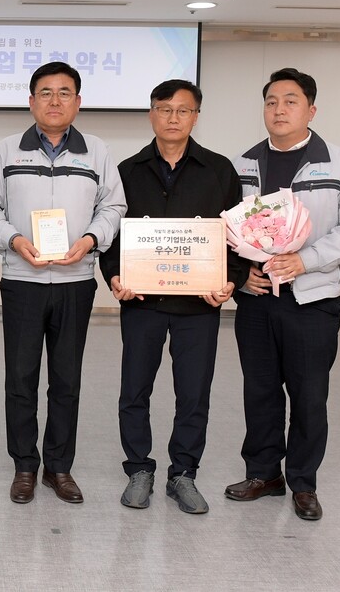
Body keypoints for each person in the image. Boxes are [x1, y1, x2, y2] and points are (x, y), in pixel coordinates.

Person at [225, 67, 340, 521]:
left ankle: (304, 483)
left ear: (311, 110)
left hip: (312, 298)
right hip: (257, 300)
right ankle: (263, 474)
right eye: (271, 101)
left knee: (309, 395)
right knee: (260, 391)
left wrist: (306, 261)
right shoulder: (242, 164)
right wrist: (241, 275)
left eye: (290, 101)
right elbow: (223, 227)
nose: (279, 109)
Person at [98, 80, 249, 514]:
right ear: (151, 114)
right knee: (134, 389)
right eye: (164, 109)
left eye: (183, 110)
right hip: (141, 302)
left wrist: (230, 282)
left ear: (196, 117)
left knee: (194, 393)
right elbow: (111, 236)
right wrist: (114, 276)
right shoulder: (127, 171)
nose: (173, 118)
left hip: (199, 305)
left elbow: (235, 237)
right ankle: (138, 469)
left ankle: (183, 473)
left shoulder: (219, 170)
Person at [0, 61, 126, 504]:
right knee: (20, 378)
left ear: (78, 102)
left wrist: (90, 240)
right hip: (21, 280)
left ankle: (59, 467)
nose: (55, 100)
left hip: (75, 281)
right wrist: (14, 240)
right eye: (45, 92)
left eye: (64, 93)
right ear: (31, 101)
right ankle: (25, 465)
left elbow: (114, 206)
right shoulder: (7, 150)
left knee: (66, 379)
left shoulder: (97, 151)